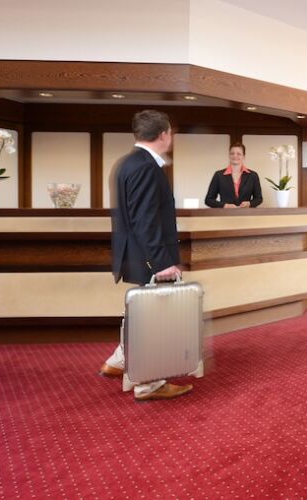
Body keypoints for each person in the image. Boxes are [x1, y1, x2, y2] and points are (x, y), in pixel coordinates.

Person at [98, 109, 193, 401]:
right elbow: (145, 221)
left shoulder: (128, 162)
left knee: (142, 315)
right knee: (155, 320)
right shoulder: (146, 167)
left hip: (139, 252)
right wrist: (161, 262)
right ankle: (150, 384)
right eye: (171, 133)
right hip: (148, 256)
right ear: (163, 134)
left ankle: (119, 360)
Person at [205, 142, 263, 208]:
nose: (235, 156)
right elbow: (208, 200)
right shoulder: (219, 175)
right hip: (225, 213)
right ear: (229, 155)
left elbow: (259, 198)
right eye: (232, 153)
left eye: (239, 154)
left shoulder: (253, 175)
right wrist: (225, 205)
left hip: (246, 213)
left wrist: (249, 203)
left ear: (244, 156)